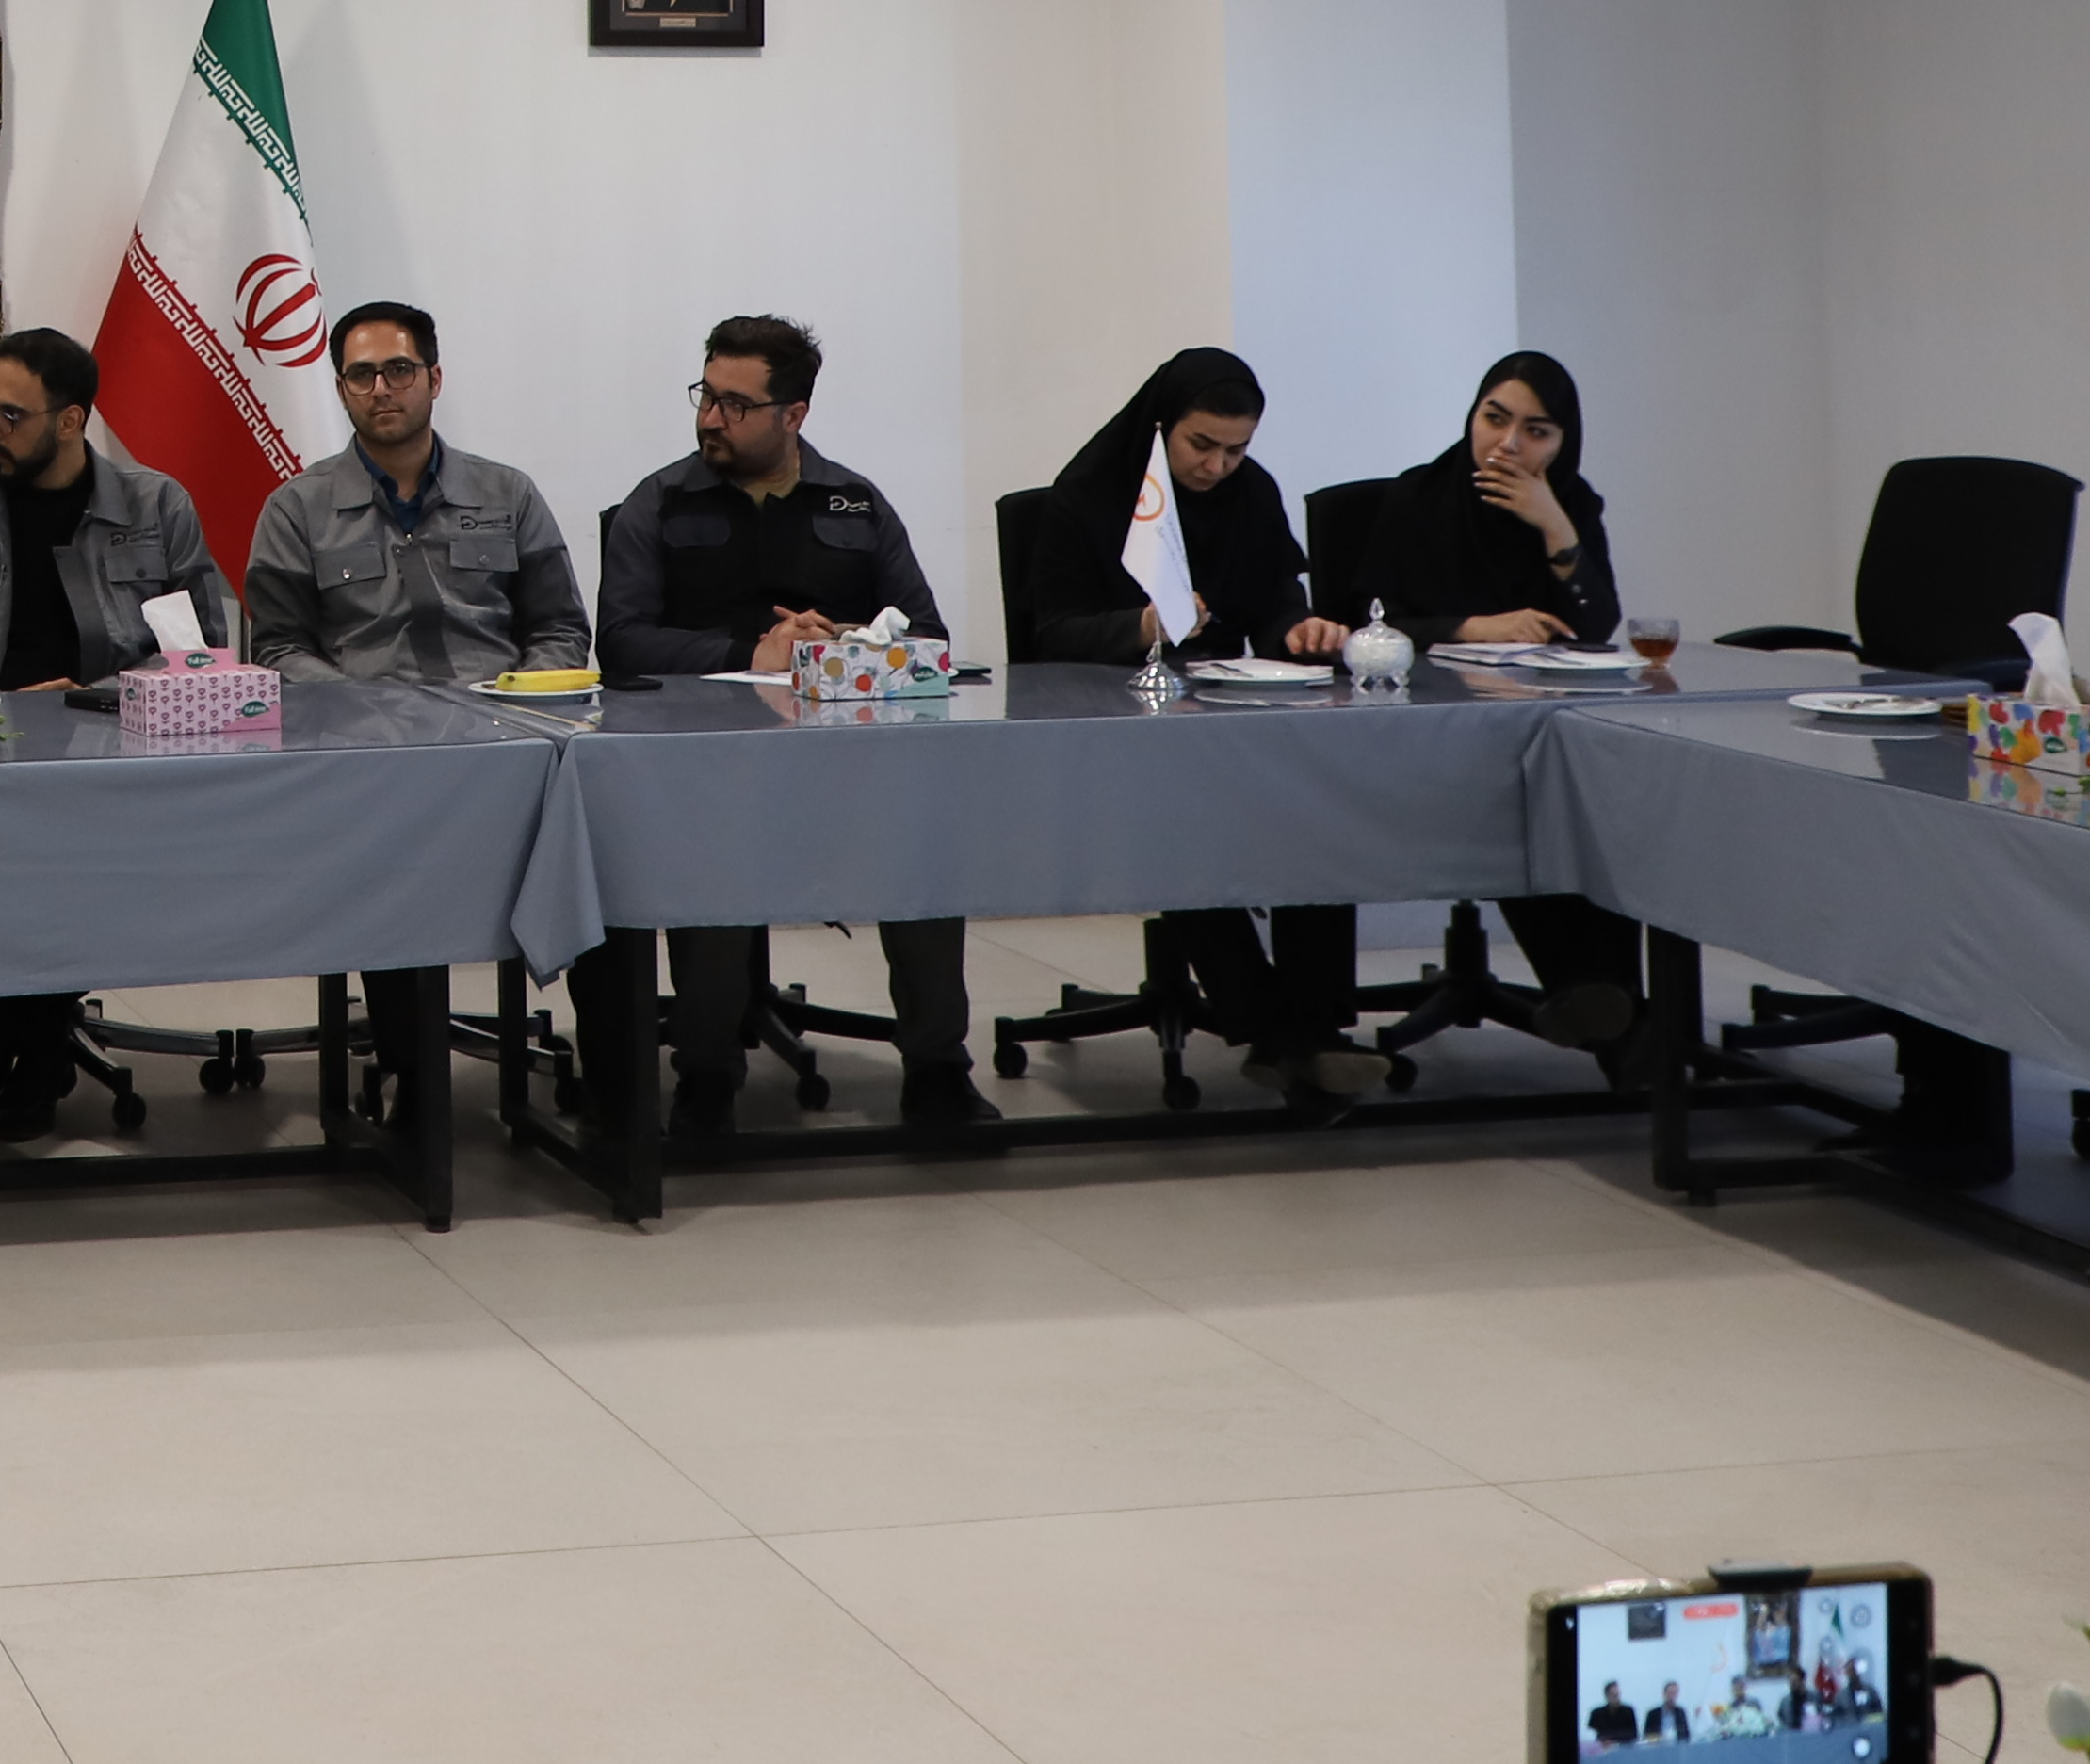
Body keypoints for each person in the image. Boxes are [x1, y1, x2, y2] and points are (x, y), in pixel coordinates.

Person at [589, 315, 988, 1141]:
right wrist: (751, 652)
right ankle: (705, 1074)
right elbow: (620, 640)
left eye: (735, 405)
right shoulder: (657, 503)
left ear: (794, 414)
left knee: (925, 842)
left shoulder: (855, 503)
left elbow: (928, 637)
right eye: (706, 396)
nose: (710, 418)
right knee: (712, 854)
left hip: (847, 765)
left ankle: (938, 1067)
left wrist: (846, 647)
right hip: (710, 765)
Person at [0, 326, 220, 1141]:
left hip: (123, 757)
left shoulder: (158, 507)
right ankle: (36, 1053)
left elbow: (202, 651)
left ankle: (2, 1045)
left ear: (71, 421)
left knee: (74, 854)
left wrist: (95, 697)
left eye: (12, 414)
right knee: (43, 860)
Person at [1025, 350, 1385, 1109]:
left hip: (1221, 715)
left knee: (1317, 811)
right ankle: (1276, 1032)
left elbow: (1275, 603)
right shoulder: (1084, 498)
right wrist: (1143, 625)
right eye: (1201, 445)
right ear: (1162, 428)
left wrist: (1302, 630)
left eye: (1236, 449)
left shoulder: (1251, 493)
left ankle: (1315, 1028)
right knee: (1182, 825)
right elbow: (1050, 633)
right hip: (1115, 722)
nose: (1218, 466)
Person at [1347, 352, 1651, 1054]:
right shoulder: (1418, 499)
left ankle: (1612, 1010)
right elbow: (1366, 627)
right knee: (1521, 794)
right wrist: (1473, 628)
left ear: (1563, 442)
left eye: (1536, 431)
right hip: (1434, 731)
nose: (1508, 444)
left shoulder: (1570, 503)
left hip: (1539, 724)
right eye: (1495, 418)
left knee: (1593, 797)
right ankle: (1604, 1011)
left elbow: (1595, 625)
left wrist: (1556, 528)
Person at [245, 303, 590, 683]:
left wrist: (519, 696)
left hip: (497, 711)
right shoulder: (296, 509)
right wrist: (355, 705)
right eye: (361, 375)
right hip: (359, 715)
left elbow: (560, 630)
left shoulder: (509, 494)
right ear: (341, 392)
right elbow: (279, 649)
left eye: (399, 370)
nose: (380, 390)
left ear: (434, 380)